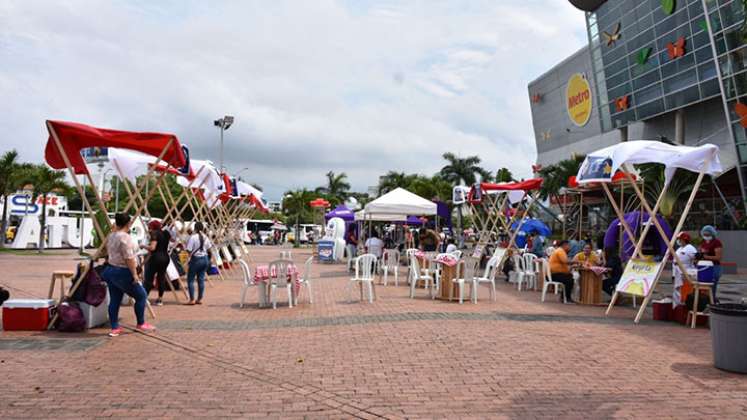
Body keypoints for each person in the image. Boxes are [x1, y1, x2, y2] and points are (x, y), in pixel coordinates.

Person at [100, 213, 155, 337]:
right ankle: (140, 323)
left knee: (115, 299)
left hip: (111, 269)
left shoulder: (111, 235)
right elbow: (129, 258)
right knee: (141, 295)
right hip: (123, 271)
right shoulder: (125, 238)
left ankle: (115, 327)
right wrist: (135, 274)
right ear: (128, 223)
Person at [141, 220, 171, 306]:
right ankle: (160, 299)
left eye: (150, 227)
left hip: (156, 258)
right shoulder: (166, 233)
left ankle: (144, 297)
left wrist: (143, 246)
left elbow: (152, 248)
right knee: (161, 278)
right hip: (165, 257)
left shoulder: (155, 234)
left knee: (149, 278)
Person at [185, 221, 213, 305]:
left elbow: (189, 250)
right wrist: (209, 259)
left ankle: (192, 299)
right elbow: (209, 249)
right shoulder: (205, 237)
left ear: (195, 228)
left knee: (190, 280)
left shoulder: (193, 237)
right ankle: (199, 298)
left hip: (196, 259)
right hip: (205, 259)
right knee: (201, 279)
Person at [698, 225, 723, 300]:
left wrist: (706, 257)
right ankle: (704, 302)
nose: (706, 236)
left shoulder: (716, 242)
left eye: (708, 235)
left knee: (711, 288)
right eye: (704, 235)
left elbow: (718, 257)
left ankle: (712, 302)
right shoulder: (703, 242)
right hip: (704, 267)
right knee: (703, 288)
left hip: (714, 268)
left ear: (712, 234)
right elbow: (701, 252)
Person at [672, 232, 697, 306]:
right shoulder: (679, 249)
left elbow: (696, 259)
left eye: (680, 239)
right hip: (677, 272)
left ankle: (685, 304)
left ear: (684, 239)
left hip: (686, 272)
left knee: (684, 291)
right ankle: (677, 305)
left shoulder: (690, 248)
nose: (679, 241)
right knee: (677, 291)